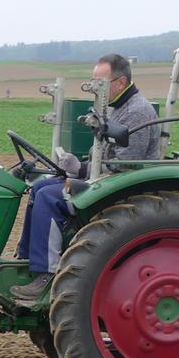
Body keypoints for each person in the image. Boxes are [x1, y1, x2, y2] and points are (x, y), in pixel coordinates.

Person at [11, 53, 160, 304]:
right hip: (108, 179)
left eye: (99, 83)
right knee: (40, 188)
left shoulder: (137, 111)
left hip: (123, 187)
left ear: (120, 83)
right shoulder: (117, 107)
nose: (94, 89)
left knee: (50, 197)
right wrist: (78, 166)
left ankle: (47, 274)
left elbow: (125, 164)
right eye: (93, 83)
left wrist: (80, 170)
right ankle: (27, 262)